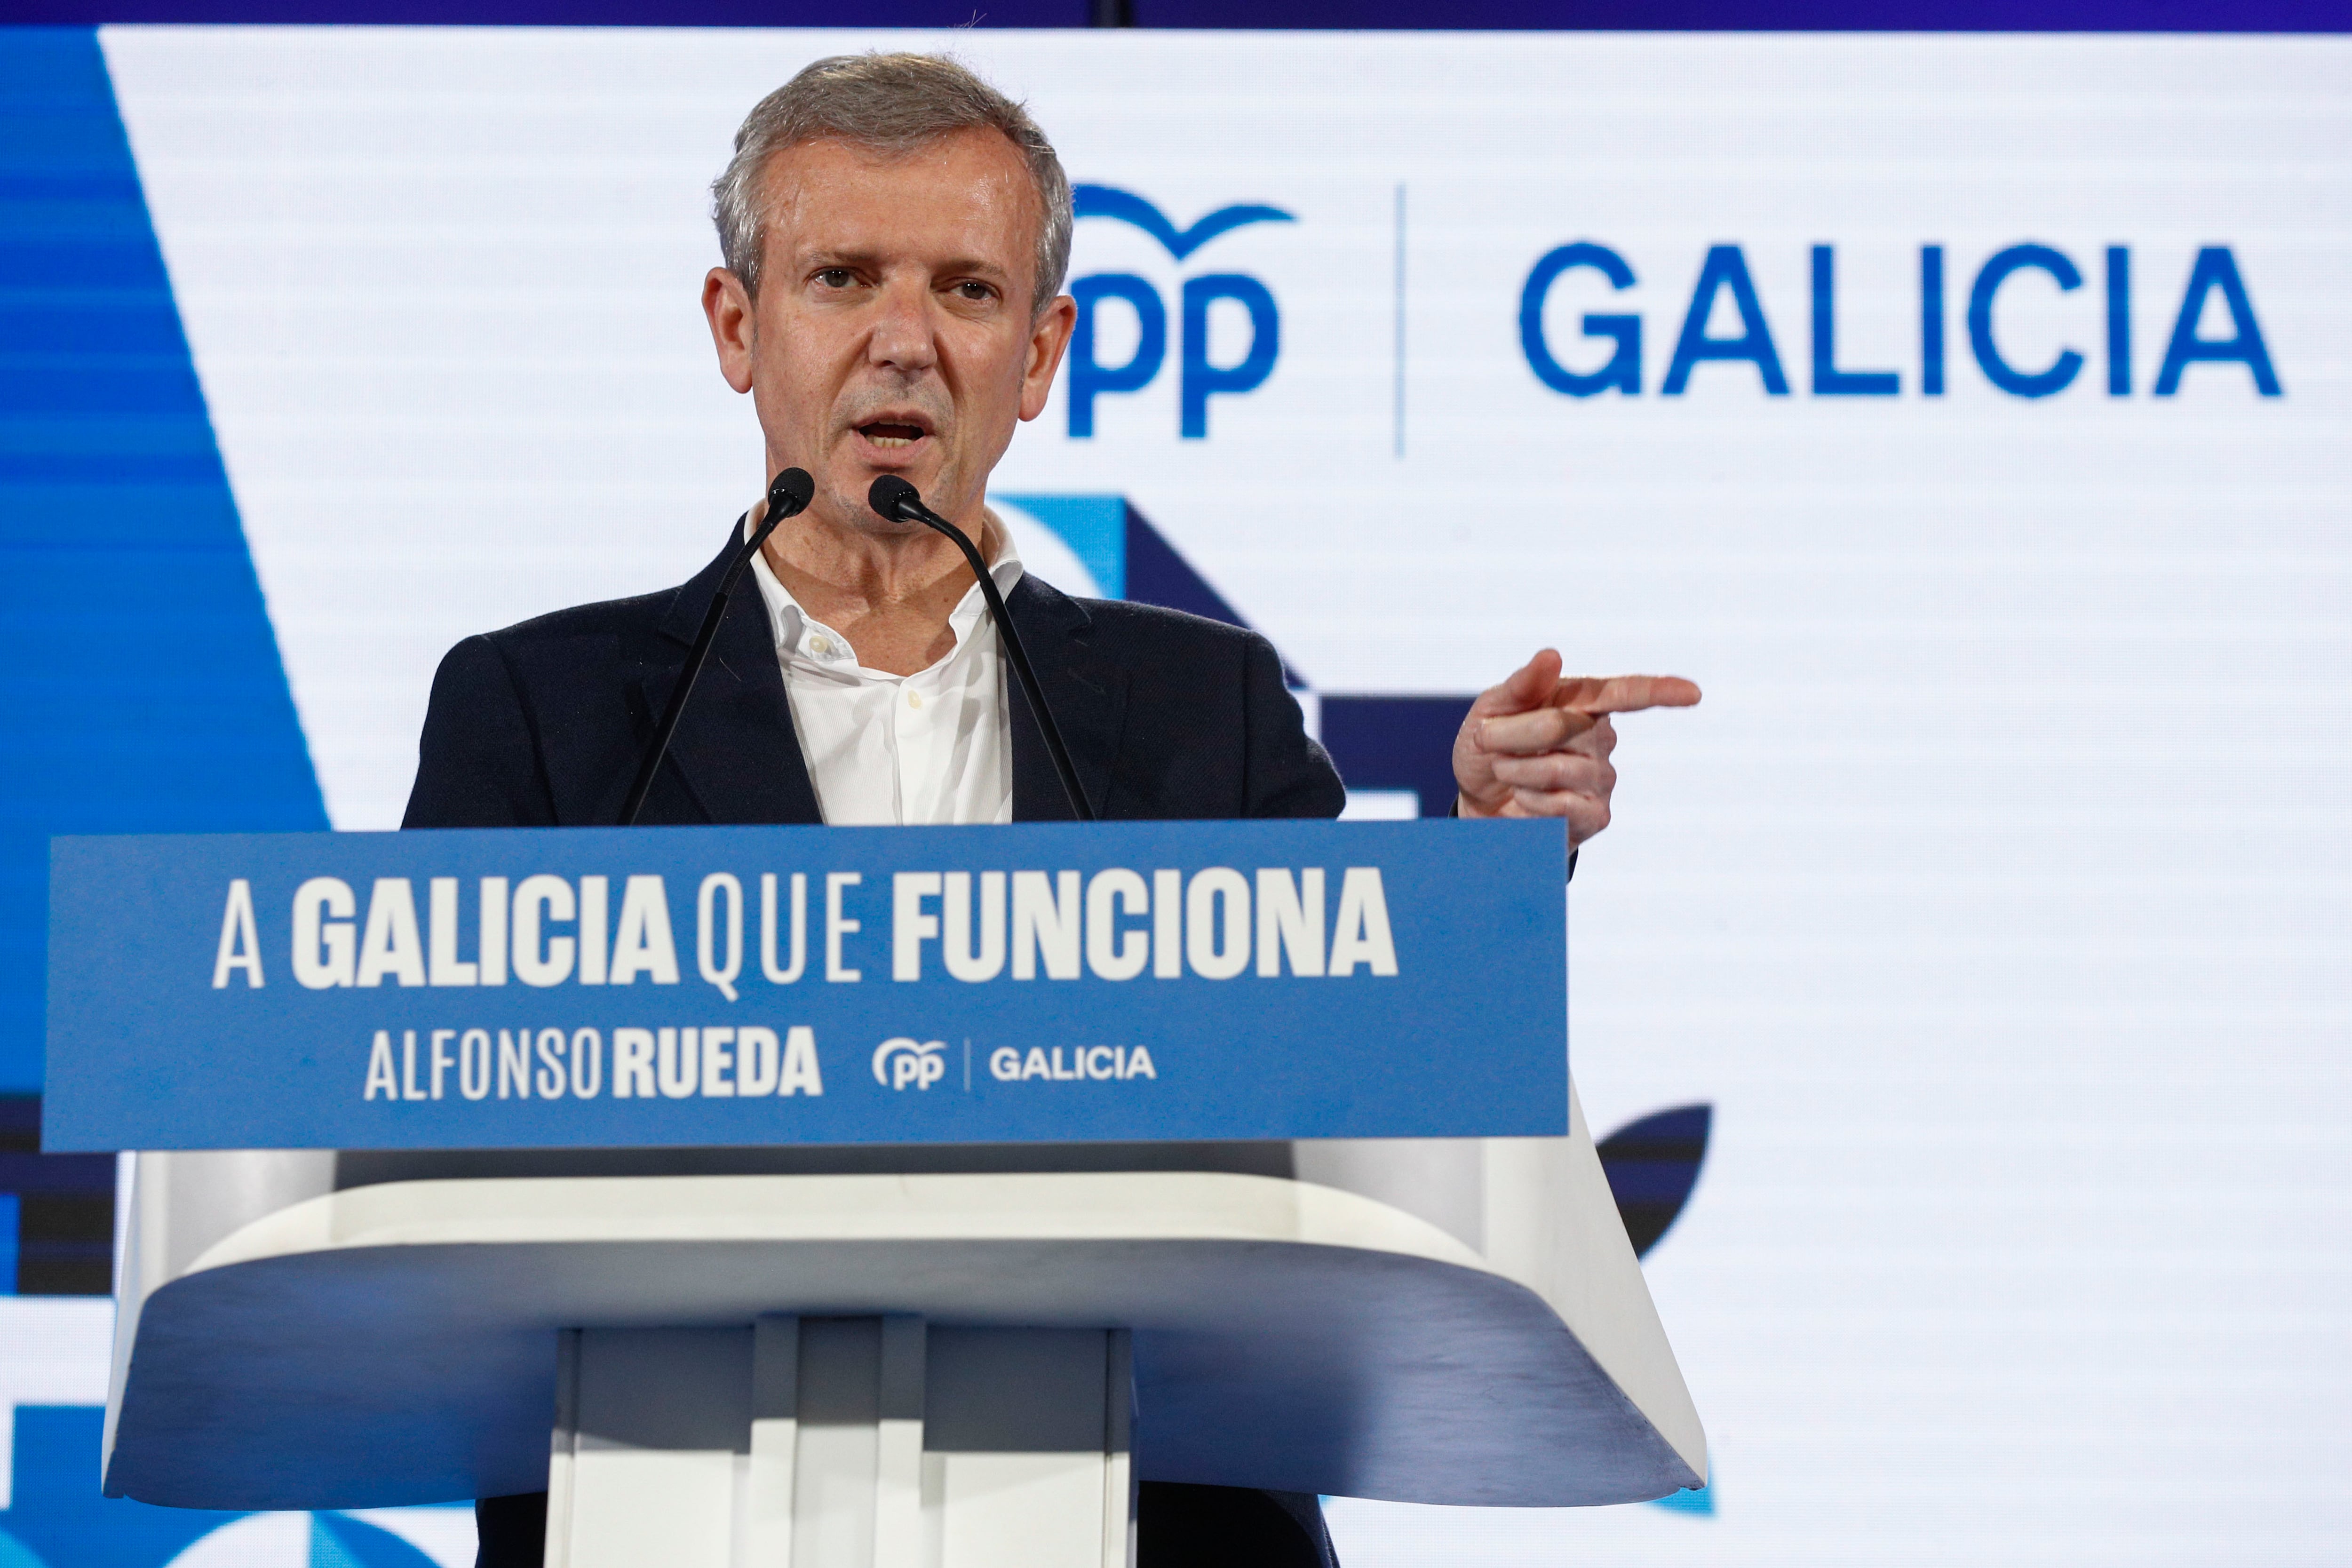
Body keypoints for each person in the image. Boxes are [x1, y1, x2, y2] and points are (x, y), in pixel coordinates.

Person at [405, 51, 1700, 1568]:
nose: (903, 344)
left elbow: (1355, 1086)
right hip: (669, 1504)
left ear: (1039, 351)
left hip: (1159, 1511)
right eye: (841, 279)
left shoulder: (1196, 706)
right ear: (739, 327)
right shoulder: (546, 710)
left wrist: (1484, 853)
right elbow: (440, 1157)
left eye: (965, 290)